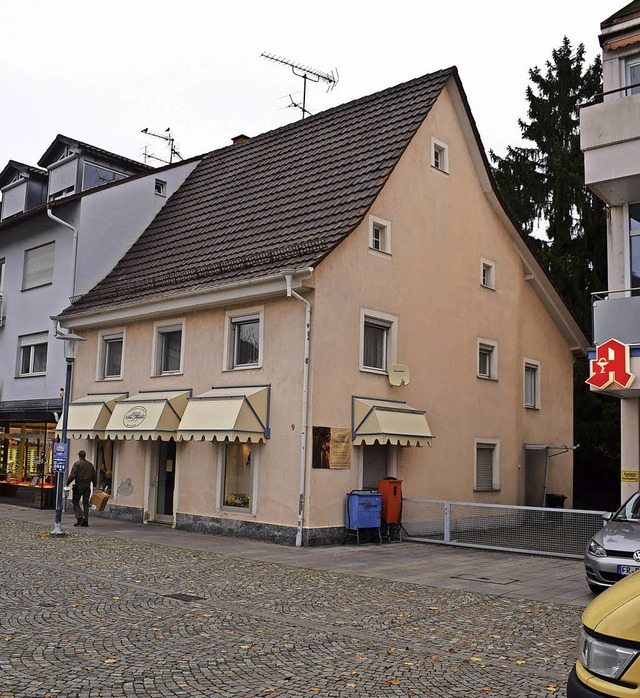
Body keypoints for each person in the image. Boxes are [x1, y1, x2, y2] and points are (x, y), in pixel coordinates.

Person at [65, 450, 96, 527]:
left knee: (75, 502)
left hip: (79, 485)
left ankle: (79, 518)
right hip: (87, 486)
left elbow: (73, 475)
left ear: (79, 456)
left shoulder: (77, 464)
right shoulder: (90, 465)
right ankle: (86, 520)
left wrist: (67, 483)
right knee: (86, 503)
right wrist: (94, 485)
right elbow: (94, 476)